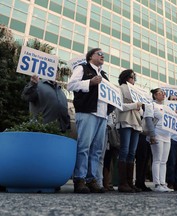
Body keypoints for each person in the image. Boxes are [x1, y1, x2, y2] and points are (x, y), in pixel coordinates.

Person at [67, 48, 114, 193]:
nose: (102, 56)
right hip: (87, 112)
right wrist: (90, 82)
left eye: (103, 55)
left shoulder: (104, 75)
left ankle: (91, 179)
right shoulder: (82, 68)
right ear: (90, 56)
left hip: (102, 115)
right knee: (84, 146)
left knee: (97, 150)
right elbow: (71, 85)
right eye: (99, 54)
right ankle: (79, 179)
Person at [116, 69, 143, 193]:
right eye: (132, 77)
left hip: (136, 122)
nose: (133, 80)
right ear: (126, 77)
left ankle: (129, 182)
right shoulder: (120, 88)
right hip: (125, 120)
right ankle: (122, 183)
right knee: (125, 150)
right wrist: (134, 105)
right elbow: (119, 106)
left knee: (132, 152)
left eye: (134, 78)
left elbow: (141, 110)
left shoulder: (136, 92)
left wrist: (139, 107)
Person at [143, 88, 173, 192]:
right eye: (160, 93)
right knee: (157, 159)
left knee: (164, 161)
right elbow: (148, 119)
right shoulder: (151, 105)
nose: (163, 95)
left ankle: (163, 183)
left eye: (164, 93)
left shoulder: (167, 107)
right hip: (157, 135)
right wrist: (152, 135)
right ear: (155, 95)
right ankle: (157, 184)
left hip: (167, 136)